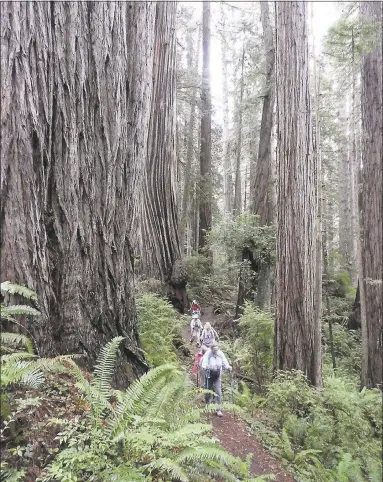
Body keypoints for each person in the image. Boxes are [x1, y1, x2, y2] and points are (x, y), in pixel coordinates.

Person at [200, 343, 232, 417]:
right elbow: (204, 362)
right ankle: (208, 404)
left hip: (217, 375)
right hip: (209, 375)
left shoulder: (220, 354)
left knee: (218, 391)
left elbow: (225, 361)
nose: (215, 351)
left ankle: (219, 409)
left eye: (217, 350)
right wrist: (204, 367)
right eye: (214, 350)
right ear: (211, 349)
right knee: (208, 390)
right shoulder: (208, 354)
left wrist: (228, 367)